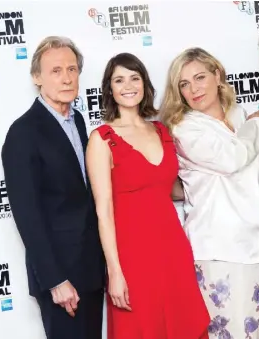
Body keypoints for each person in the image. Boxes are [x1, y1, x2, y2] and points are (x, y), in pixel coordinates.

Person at [160, 47, 259, 339]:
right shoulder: (184, 128)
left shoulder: (239, 114)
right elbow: (233, 158)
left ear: (217, 75)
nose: (193, 88)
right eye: (184, 84)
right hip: (220, 250)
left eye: (199, 77)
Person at [85, 52, 210, 339]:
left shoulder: (162, 130)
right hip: (132, 257)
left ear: (144, 84)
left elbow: (171, 187)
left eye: (134, 78)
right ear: (110, 89)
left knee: (183, 325)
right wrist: (115, 272)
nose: (128, 86)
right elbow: (103, 211)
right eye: (119, 80)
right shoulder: (102, 139)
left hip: (173, 249)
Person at [1, 36, 105, 339]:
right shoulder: (23, 132)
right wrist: (56, 280)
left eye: (72, 69)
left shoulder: (80, 122)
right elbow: (27, 215)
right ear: (37, 77)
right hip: (61, 277)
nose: (67, 78)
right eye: (56, 71)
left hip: (91, 270)